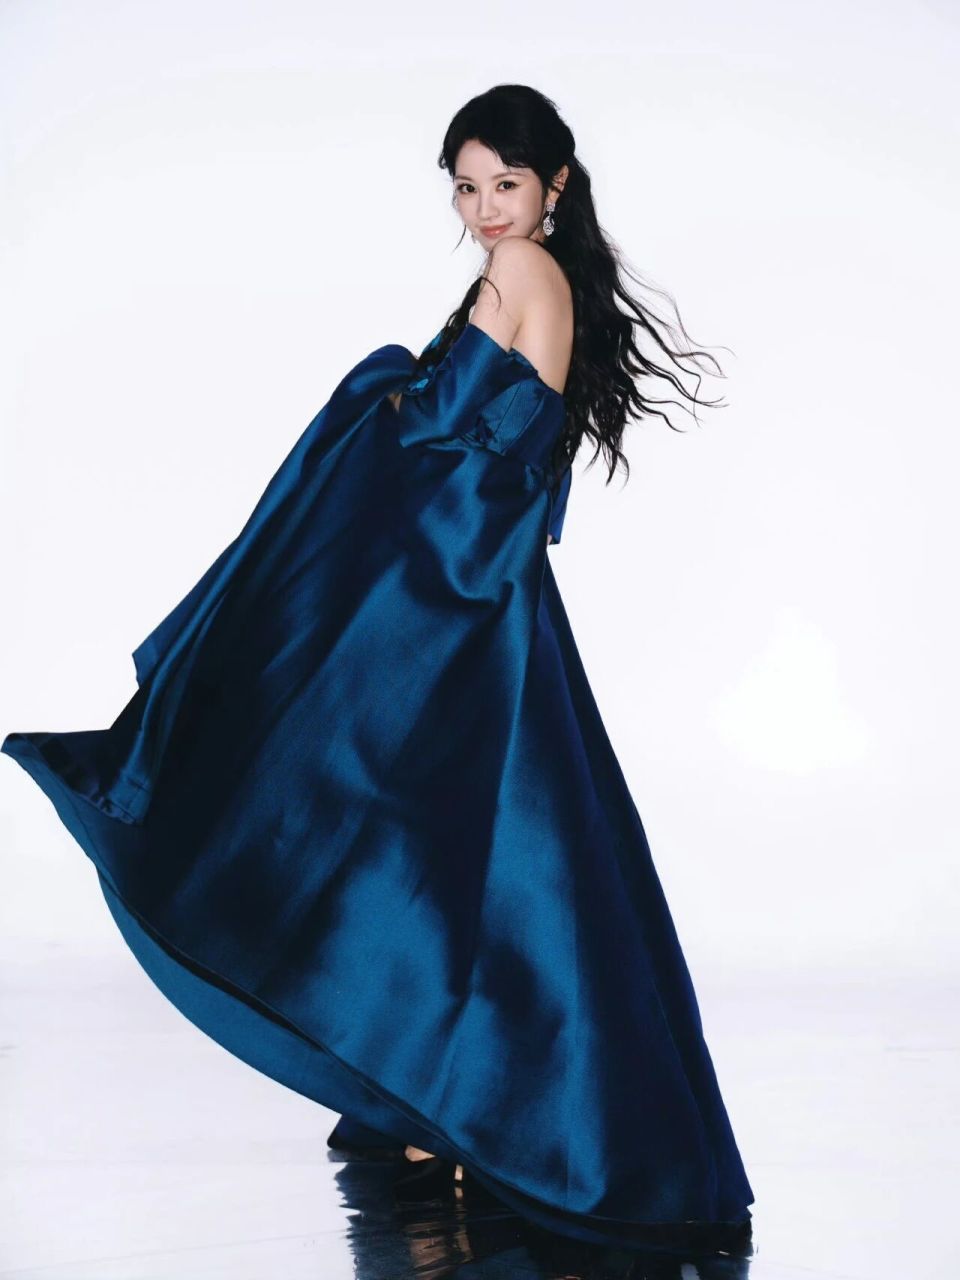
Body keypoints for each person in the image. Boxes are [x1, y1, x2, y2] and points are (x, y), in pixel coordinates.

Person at [1, 84, 755, 1254]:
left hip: (458, 589)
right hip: (475, 584)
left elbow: (471, 440)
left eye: (506, 183)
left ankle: (461, 1107)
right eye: (467, 186)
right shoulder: (537, 277)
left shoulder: (520, 274)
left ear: (554, 186)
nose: (485, 207)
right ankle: (452, 1103)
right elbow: (491, 445)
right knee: (473, 859)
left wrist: (387, 400)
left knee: (434, 843)